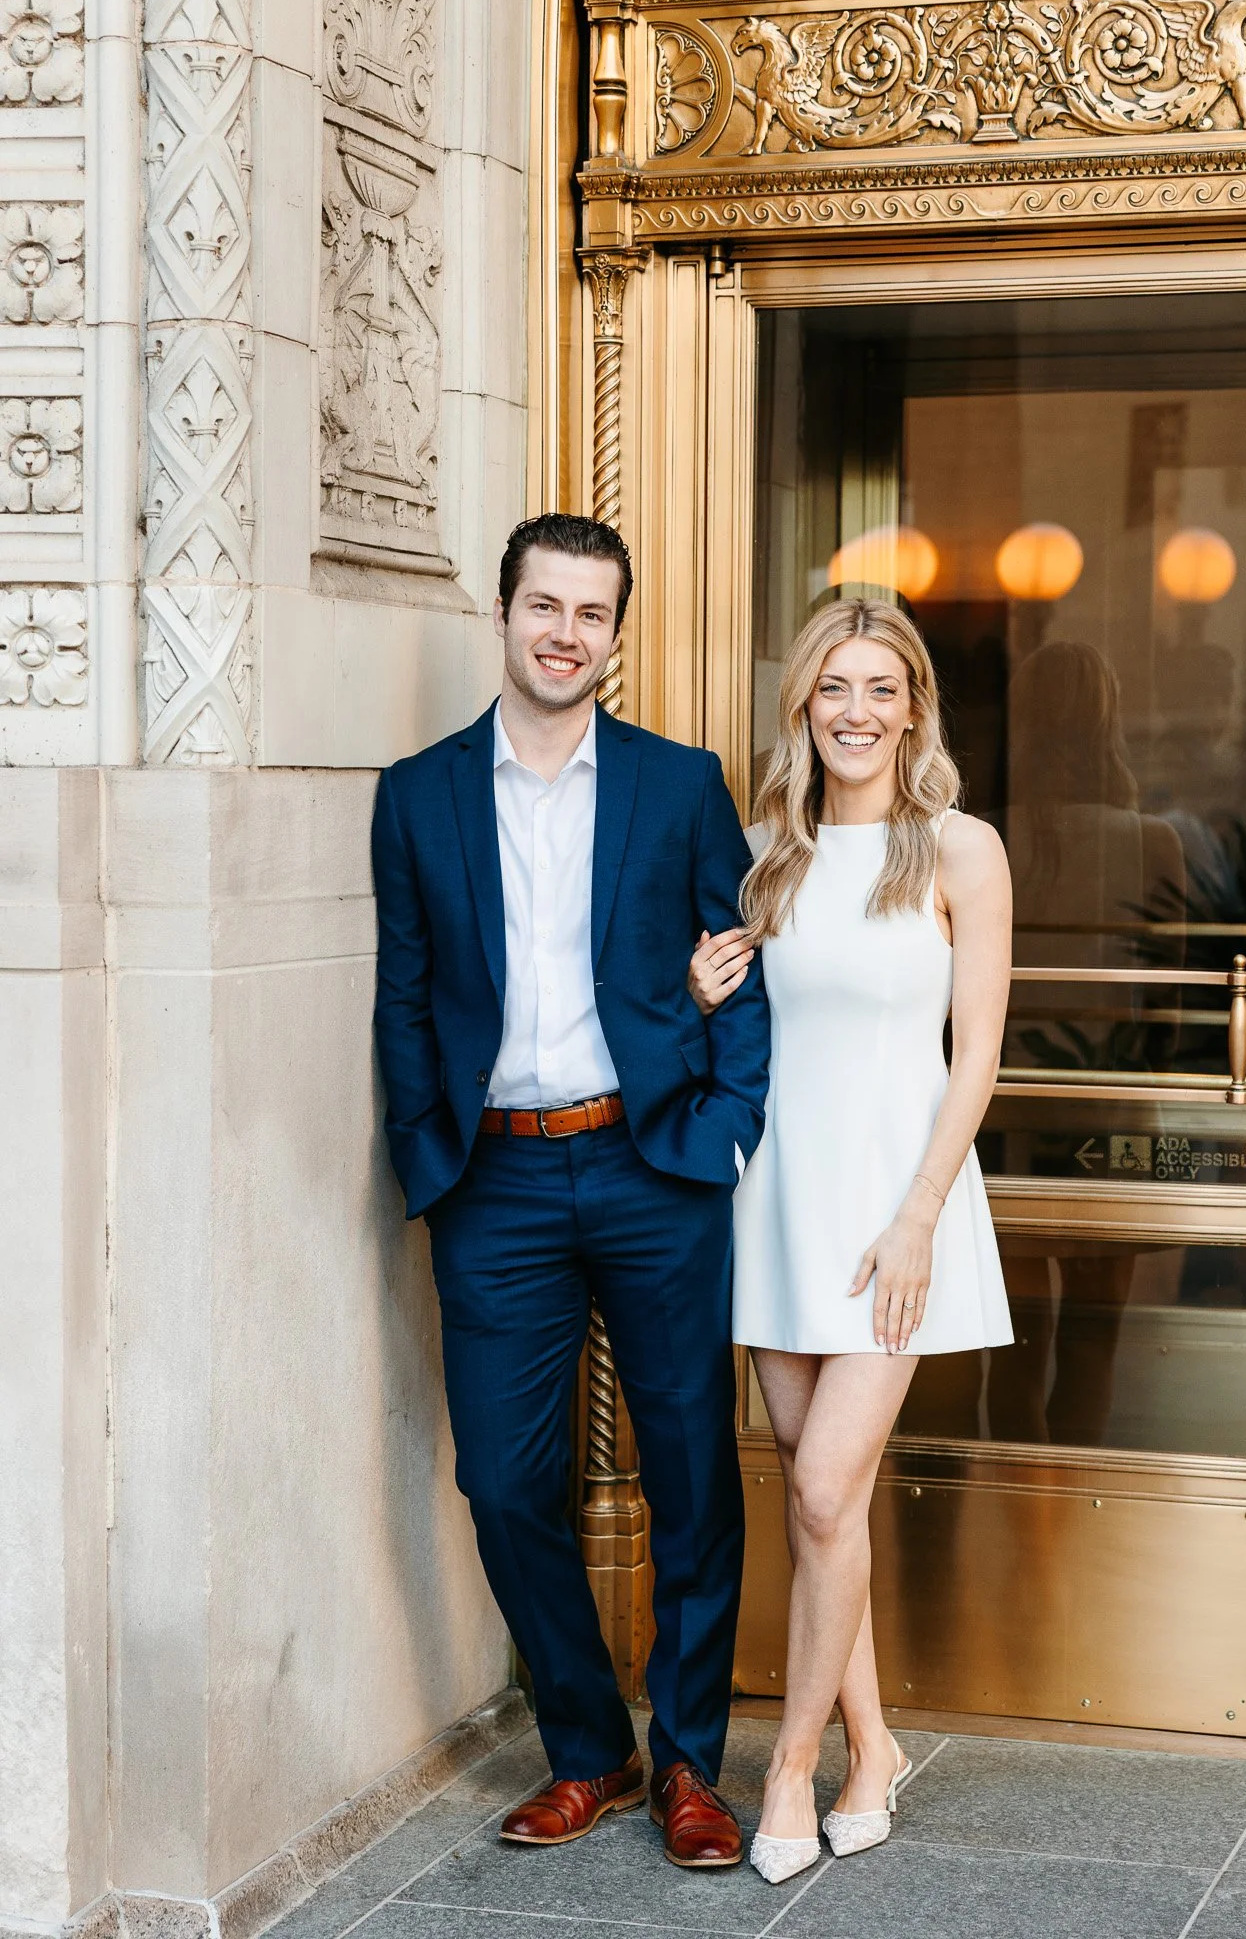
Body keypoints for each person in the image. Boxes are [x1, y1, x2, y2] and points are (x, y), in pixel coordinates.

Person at [371, 513, 770, 1868]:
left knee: (693, 1480)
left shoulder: (678, 785)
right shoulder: (418, 795)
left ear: (616, 634)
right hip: (496, 1182)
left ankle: (693, 1768)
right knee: (502, 1480)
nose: (565, 634)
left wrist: (723, 1128)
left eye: (591, 614)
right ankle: (589, 1751)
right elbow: (407, 994)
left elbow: (737, 962)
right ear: (504, 612)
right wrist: (431, 1157)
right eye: (545, 607)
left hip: (652, 1167)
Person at [688, 597, 1013, 1882]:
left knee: (824, 1487)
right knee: (826, 1501)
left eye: (881, 688)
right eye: (834, 687)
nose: (856, 711)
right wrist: (705, 987)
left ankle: (787, 1764)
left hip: (901, 1207)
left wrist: (921, 1214)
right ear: (804, 706)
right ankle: (873, 1743)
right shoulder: (765, 852)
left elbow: (977, 1051)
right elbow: (746, 1038)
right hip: (776, 1199)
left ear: (915, 706)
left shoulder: (958, 849)